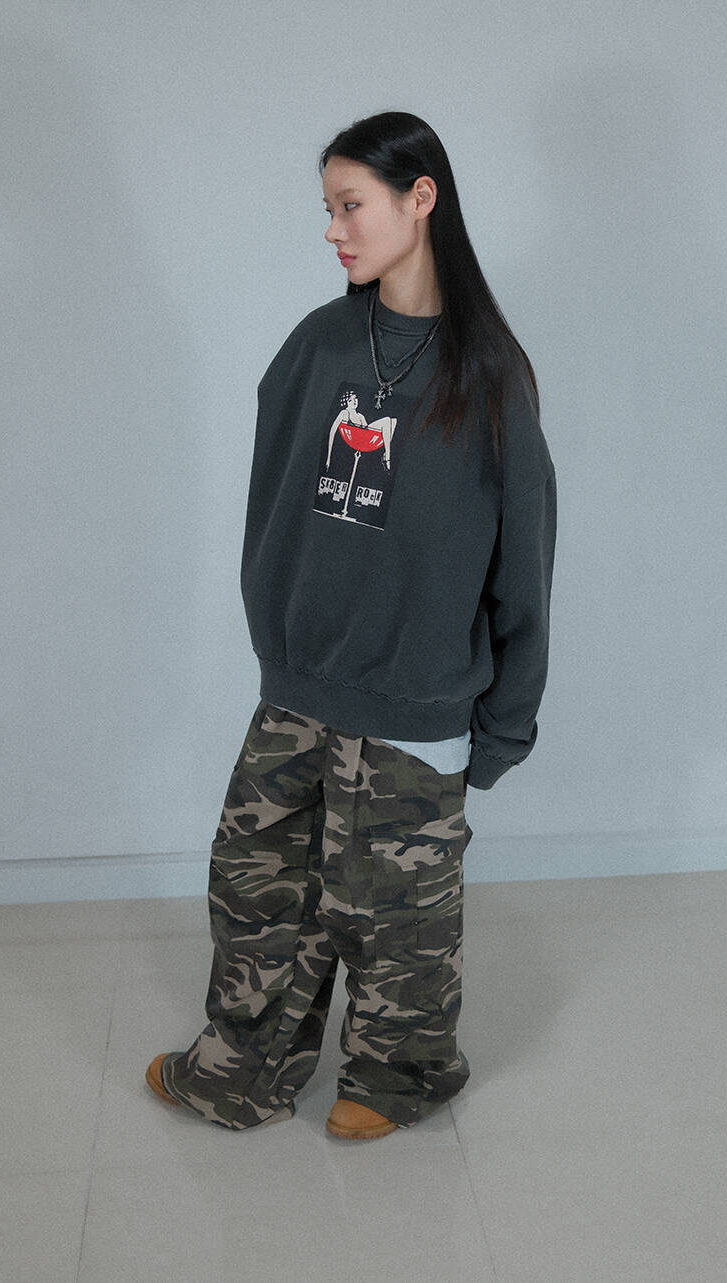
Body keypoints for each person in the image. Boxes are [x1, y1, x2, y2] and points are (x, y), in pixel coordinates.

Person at [146, 111, 557, 1140]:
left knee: (395, 910)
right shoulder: (319, 344)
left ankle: (400, 1073)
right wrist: (274, 624)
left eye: (350, 205)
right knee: (258, 889)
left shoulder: (489, 374)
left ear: (421, 199)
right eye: (327, 208)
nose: (333, 229)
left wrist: (505, 722)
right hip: (299, 684)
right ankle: (242, 1066)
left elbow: (525, 566)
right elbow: (274, 501)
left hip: (416, 696)